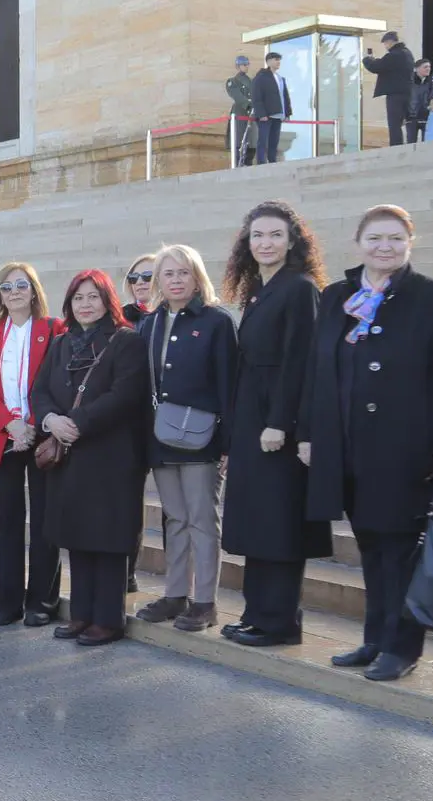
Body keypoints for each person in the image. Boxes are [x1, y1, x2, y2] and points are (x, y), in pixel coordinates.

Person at [299, 205, 433, 683]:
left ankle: (401, 647)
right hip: (348, 447)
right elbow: (319, 371)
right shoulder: (337, 297)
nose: (385, 247)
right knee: (371, 547)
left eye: (396, 239)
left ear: (409, 243)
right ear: (359, 243)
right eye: (376, 238)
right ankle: (375, 639)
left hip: (405, 450)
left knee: (399, 549)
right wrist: (310, 433)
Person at [219, 204, 332, 647]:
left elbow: (299, 363)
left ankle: (280, 622)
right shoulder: (259, 290)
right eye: (257, 236)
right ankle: (256, 613)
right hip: (251, 419)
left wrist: (280, 423)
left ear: (293, 241)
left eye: (275, 235)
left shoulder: (300, 289)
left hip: (276, 424)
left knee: (281, 524)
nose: (265, 243)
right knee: (257, 522)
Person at [33, 270, 150, 646]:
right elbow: (40, 391)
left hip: (110, 455)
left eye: (93, 297)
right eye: (78, 298)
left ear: (107, 301)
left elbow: (124, 395)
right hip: (69, 456)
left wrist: (76, 423)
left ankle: (108, 618)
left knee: (108, 538)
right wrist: (50, 419)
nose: (85, 304)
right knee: (78, 536)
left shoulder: (125, 341)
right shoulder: (61, 343)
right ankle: (81, 613)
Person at [133, 243, 236, 634]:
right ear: (158, 280)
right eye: (168, 273)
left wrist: (227, 442)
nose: (175, 280)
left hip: (202, 439)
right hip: (160, 438)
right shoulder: (150, 322)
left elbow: (229, 384)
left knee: (201, 520)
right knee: (174, 517)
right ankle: (175, 594)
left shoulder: (215, 321)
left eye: (183, 273)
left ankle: (205, 602)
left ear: (197, 277)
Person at [0, 262, 66, 627]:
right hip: (5, 436)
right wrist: (10, 423)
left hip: (42, 434)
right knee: (7, 520)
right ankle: (7, 599)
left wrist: (33, 424)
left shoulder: (52, 329)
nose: (14, 292)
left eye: (22, 285)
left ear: (34, 290)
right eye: (7, 287)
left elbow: (58, 382)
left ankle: (42, 601)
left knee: (45, 519)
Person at [119, 252, 158, 590]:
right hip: (125, 424)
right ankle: (125, 573)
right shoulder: (122, 319)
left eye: (148, 276)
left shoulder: (172, 317)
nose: (141, 284)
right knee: (127, 500)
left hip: (166, 422)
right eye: (135, 278)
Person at [362, 31, 415, 146]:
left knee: (394, 124)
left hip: (395, 94)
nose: (385, 47)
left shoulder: (394, 55)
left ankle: (395, 147)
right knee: (406, 122)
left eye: (385, 44)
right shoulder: (407, 53)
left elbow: (377, 66)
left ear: (390, 42)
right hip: (407, 93)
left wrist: (367, 59)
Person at [251, 51, 290, 165]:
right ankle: (261, 161)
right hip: (266, 115)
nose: (278, 62)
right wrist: (261, 113)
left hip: (278, 115)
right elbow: (256, 96)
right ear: (268, 62)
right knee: (263, 140)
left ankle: (272, 160)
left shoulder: (280, 78)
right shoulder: (261, 77)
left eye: (279, 60)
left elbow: (285, 96)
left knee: (274, 140)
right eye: (275, 59)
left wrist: (287, 113)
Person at [225, 55, 255, 166]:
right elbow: (238, 96)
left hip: (251, 116)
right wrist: (249, 105)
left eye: (247, 64)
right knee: (239, 144)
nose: (247, 66)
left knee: (251, 145)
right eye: (244, 64)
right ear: (238, 66)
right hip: (240, 114)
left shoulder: (252, 82)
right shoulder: (232, 81)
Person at [405, 59, 432, 144]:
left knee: (427, 144)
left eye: (429, 67)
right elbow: (404, 99)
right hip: (411, 117)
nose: (428, 69)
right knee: (411, 144)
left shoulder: (431, 82)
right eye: (425, 67)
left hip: (427, 117)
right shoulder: (408, 82)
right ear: (416, 69)